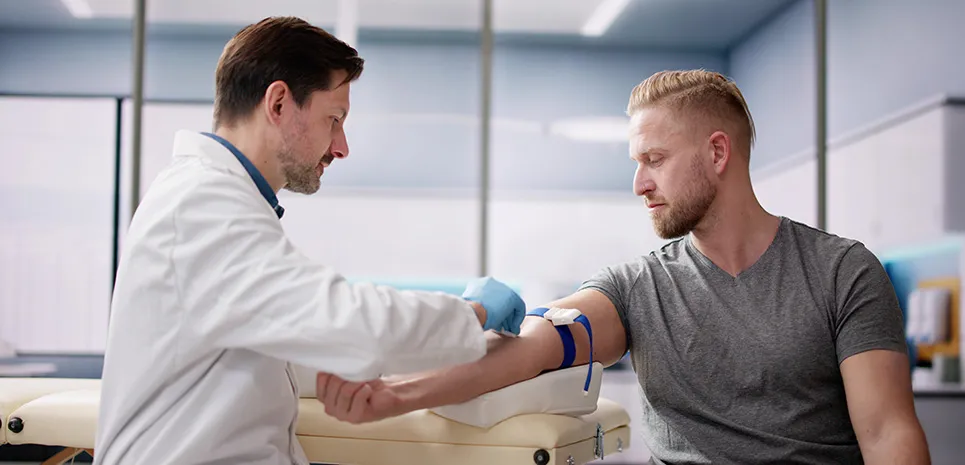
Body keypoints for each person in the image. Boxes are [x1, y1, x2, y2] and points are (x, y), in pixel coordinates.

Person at [315, 70, 932, 464]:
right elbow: (528, 350)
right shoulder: (637, 287)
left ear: (718, 152)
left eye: (655, 159)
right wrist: (394, 394)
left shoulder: (843, 272)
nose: (639, 184)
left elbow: (886, 436)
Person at [94, 16, 526, 465]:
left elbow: (263, 348)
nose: (341, 147)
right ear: (279, 103)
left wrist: (347, 364)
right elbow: (338, 318)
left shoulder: (217, 201)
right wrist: (471, 314)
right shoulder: (203, 207)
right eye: (334, 119)